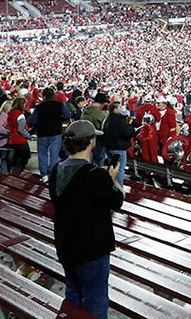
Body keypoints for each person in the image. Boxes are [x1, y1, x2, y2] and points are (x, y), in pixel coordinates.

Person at [50, 119, 124, 318]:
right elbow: (117, 201)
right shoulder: (94, 174)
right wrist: (113, 180)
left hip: (66, 244)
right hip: (92, 248)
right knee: (95, 300)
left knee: (73, 295)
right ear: (91, 142)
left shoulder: (56, 169)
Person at [31, 86, 72, 177]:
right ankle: (53, 175)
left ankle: (44, 175)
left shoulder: (39, 107)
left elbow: (31, 121)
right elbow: (68, 115)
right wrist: (59, 120)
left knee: (42, 155)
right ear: (53, 96)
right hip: (56, 133)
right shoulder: (60, 105)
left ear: (44, 96)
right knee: (54, 155)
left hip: (42, 133)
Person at [100, 101, 135, 186]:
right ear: (115, 109)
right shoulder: (119, 120)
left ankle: (110, 185)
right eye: (119, 107)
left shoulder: (108, 118)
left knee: (111, 167)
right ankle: (118, 188)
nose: (121, 109)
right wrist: (133, 129)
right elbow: (127, 133)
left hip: (109, 147)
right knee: (119, 169)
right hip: (118, 148)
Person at [4, 95, 32, 172]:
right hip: (20, 140)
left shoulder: (10, 113)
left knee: (15, 158)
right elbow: (21, 129)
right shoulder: (20, 115)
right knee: (25, 157)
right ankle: (19, 173)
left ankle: (13, 172)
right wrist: (29, 136)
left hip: (12, 139)